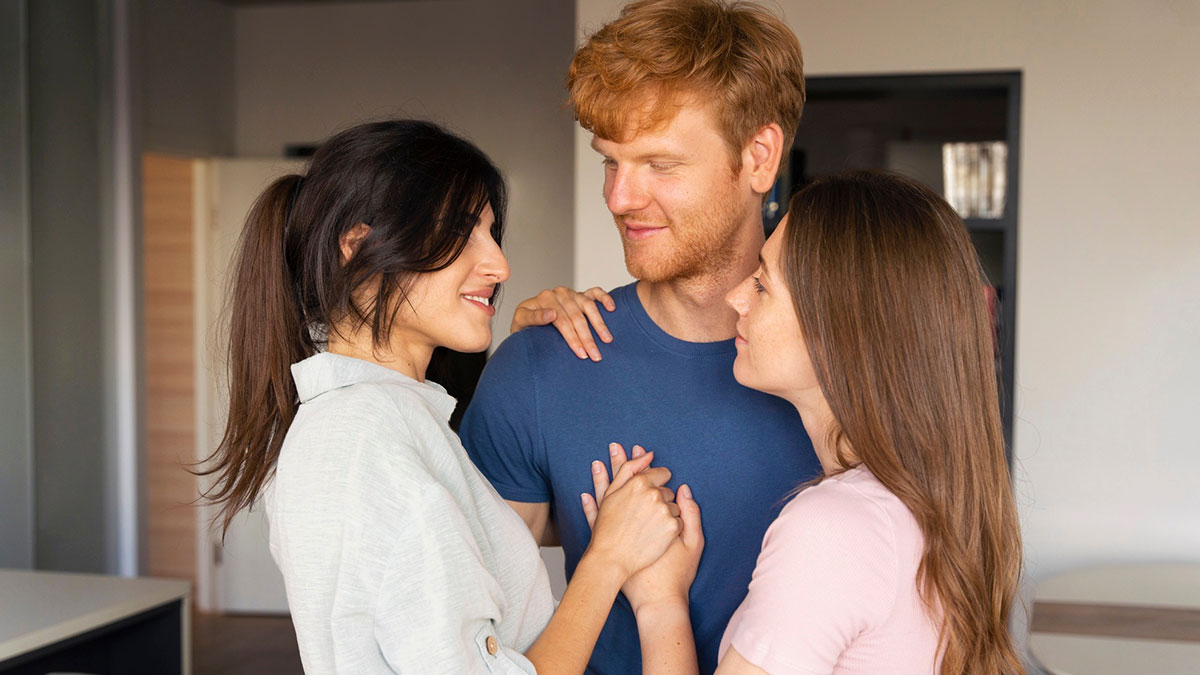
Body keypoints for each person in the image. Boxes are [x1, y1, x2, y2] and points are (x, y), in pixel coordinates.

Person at [198, 119, 700, 674]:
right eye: (462, 234)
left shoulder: (394, 419)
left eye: (491, 233)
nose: (499, 265)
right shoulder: (364, 438)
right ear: (357, 247)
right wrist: (608, 559)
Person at [460, 2, 820, 672]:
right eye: (610, 162)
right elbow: (479, 641)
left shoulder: (849, 375)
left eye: (659, 163)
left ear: (758, 157)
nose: (621, 197)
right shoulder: (539, 366)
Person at [580, 170, 1025, 673]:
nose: (736, 298)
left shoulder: (832, 530)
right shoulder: (927, 502)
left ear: (839, 330)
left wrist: (659, 604)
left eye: (763, 284)